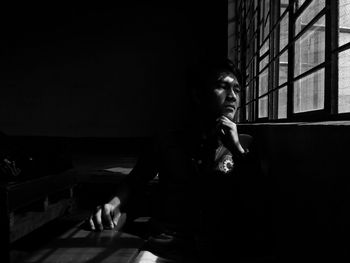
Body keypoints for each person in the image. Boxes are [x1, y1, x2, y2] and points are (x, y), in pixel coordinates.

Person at [87, 59, 263, 262]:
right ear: (198, 95)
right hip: (166, 248)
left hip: (221, 249)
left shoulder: (245, 144)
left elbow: (257, 200)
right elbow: (135, 180)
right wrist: (112, 204)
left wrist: (237, 150)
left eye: (237, 90)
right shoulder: (168, 141)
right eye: (222, 87)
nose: (232, 96)